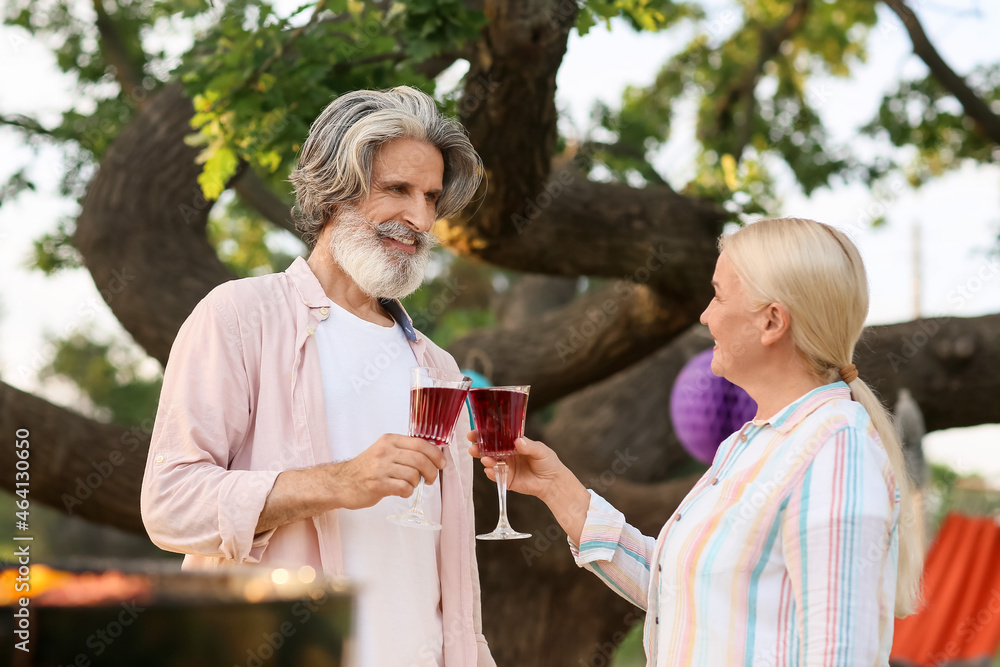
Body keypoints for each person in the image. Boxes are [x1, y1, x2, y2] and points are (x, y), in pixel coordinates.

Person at [141, 86, 495, 667]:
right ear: (336, 189)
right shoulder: (240, 316)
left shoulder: (438, 367)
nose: (422, 218)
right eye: (398, 190)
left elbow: (452, 581)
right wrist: (338, 482)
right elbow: (171, 503)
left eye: (431, 197)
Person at [469, 217, 924, 665]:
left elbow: (839, 655)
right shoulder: (747, 445)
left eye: (719, 295)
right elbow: (680, 592)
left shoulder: (835, 451)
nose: (705, 315)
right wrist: (557, 489)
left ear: (771, 322)